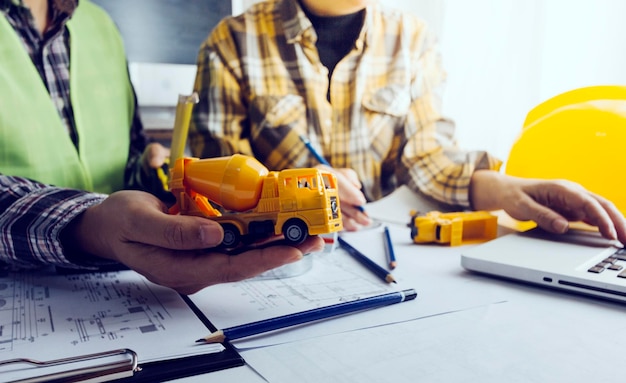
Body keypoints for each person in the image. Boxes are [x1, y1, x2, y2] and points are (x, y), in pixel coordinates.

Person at [188, 0, 626, 243]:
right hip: (278, 253)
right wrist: (293, 186)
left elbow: (428, 157)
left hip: (379, 245)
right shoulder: (232, 41)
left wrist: (510, 189)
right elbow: (214, 176)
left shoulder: (412, 39)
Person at [0, 0, 324, 294]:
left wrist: (146, 169)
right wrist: (90, 225)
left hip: (121, 285)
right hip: (17, 291)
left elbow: (124, 156)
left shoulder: (98, 25)